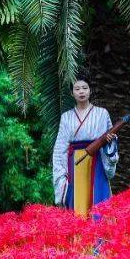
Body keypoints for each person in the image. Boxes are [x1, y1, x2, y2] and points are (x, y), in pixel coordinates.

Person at [52, 79, 119, 214]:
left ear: (90, 90)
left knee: (98, 204)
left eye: (85, 88)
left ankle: (100, 235)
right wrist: (61, 175)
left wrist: (110, 141)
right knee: (77, 206)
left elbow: (112, 139)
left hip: (97, 162)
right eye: (77, 89)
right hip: (75, 165)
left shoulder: (102, 113)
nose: (81, 91)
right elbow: (60, 148)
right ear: (72, 93)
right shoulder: (66, 117)